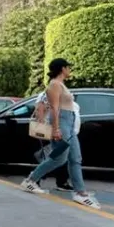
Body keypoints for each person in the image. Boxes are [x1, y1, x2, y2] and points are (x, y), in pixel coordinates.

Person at [20, 59, 99, 208]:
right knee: (59, 158)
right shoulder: (54, 85)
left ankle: (80, 193)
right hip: (62, 122)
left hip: (69, 122)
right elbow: (54, 108)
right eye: (68, 67)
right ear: (62, 68)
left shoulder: (61, 84)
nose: (70, 70)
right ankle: (30, 180)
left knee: (75, 158)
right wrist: (56, 129)